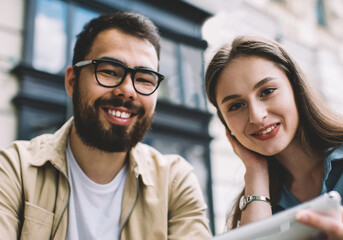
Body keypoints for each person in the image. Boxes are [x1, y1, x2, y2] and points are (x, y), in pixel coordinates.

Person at [0, 12, 212, 239]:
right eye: (110, 71)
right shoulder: (16, 170)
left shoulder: (174, 182)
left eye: (144, 79)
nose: (128, 91)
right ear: (72, 82)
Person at [205, 35, 343, 239]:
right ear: (226, 124)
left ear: (296, 89)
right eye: (236, 106)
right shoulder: (257, 202)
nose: (257, 116)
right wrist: (255, 172)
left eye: (267, 91)